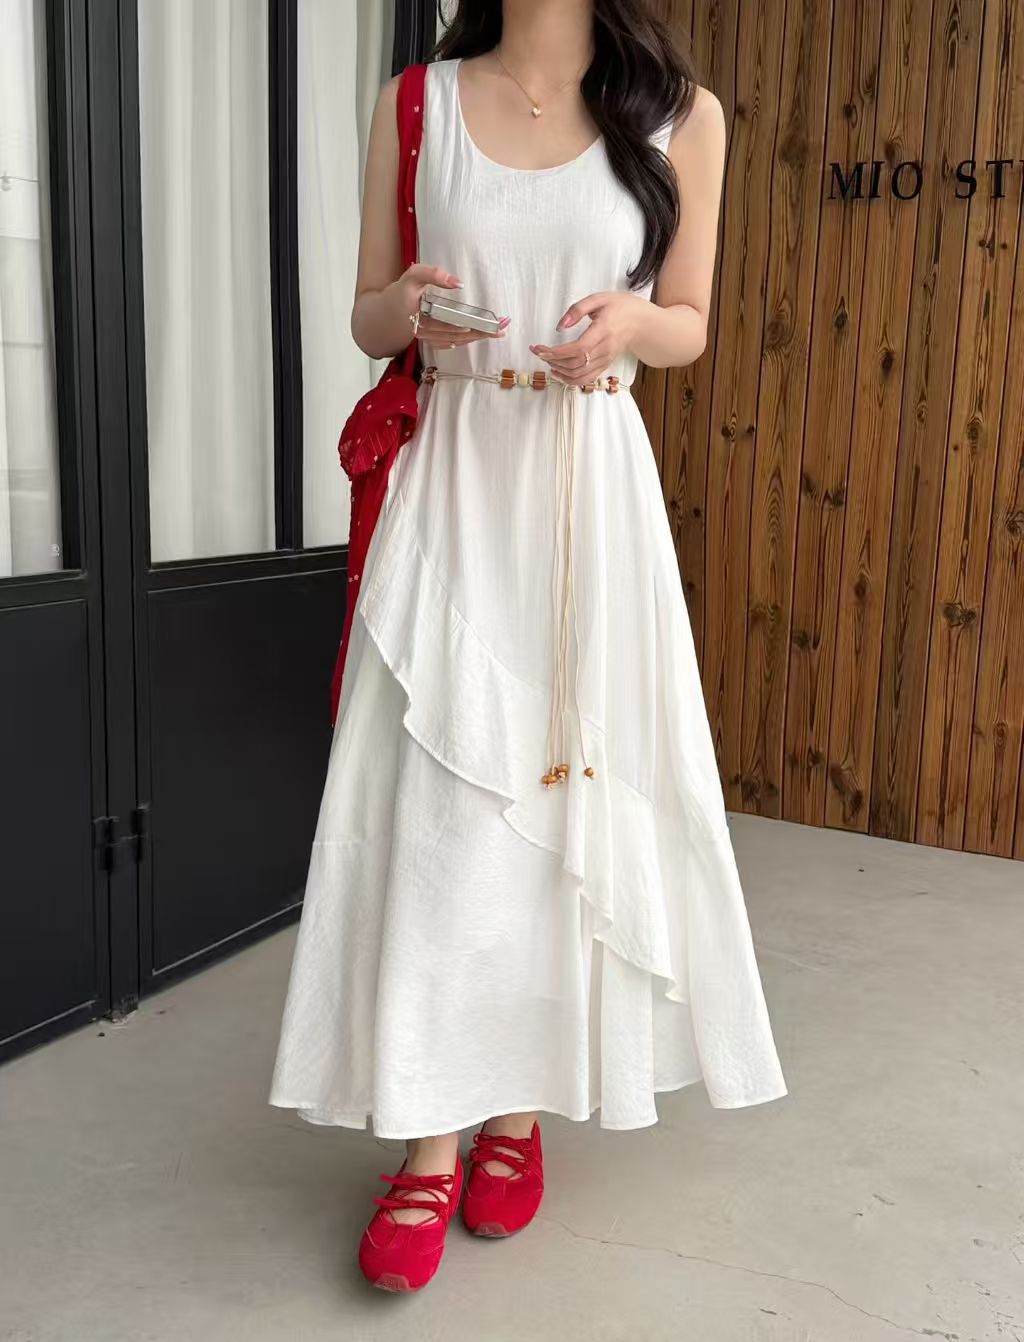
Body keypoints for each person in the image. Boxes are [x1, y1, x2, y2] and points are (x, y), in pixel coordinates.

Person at [270, 0, 788, 1293]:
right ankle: (429, 1135)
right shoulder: (417, 104)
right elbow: (366, 317)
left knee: (560, 803)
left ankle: (517, 1110)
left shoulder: (682, 115)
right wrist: (408, 306)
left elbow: (690, 320)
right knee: (442, 805)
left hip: (585, 490)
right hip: (454, 484)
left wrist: (630, 327)